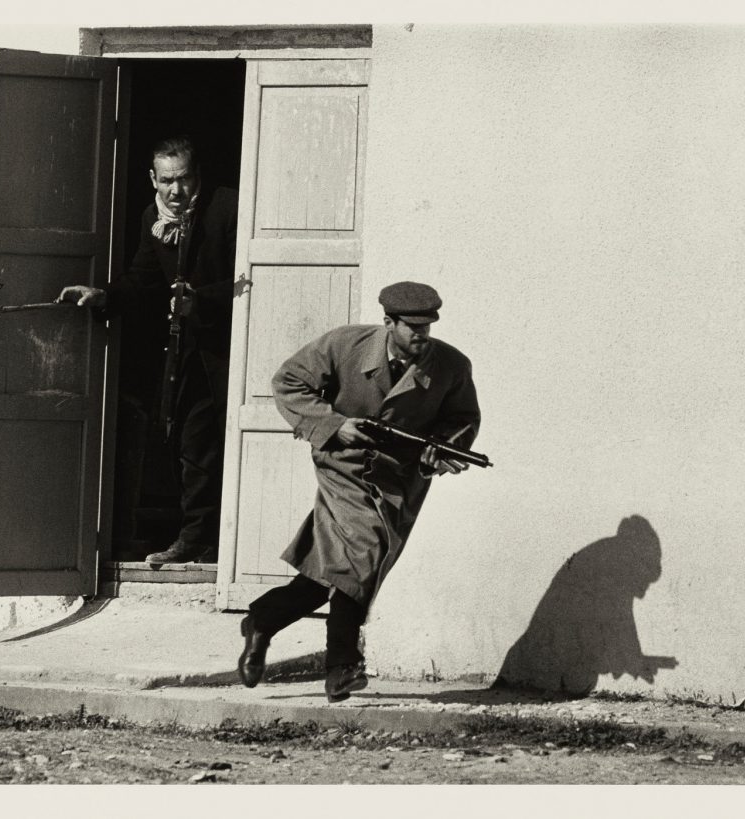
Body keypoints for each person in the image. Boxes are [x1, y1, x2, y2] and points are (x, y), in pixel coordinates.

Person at [237, 282, 481, 702]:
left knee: (333, 571)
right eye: (412, 328)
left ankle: (263, 618)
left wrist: (440, 454)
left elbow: (461, 419)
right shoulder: (344, 344)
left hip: (399, 478)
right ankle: (342, 666)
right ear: (389, 322)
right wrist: (333, 425)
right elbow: (289, 381)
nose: (422, 336)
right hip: (342, 465)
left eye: (428, 327)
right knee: (364, 551)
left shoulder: (452, 365)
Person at [58, 136, 237, 564]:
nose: (177, 192)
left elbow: (253, 275)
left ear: (199, 177)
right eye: (168, 182)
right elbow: (143, 277)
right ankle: (196, 539)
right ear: (153, 180)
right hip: (188, 353)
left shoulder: (229, 207)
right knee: (191, 444)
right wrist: (104, 295)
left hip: (232, 345)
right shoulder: (151, 219)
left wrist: (204, 300)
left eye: (186, 180)